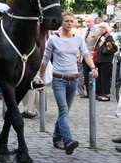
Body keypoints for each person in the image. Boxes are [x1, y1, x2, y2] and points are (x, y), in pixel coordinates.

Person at [40, 12, 99, 155]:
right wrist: (39, 79)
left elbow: (86, 54)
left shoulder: (78, 39)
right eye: (66, 21)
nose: (69, 23)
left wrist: (93, 67)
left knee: (65, 112)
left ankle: (56, 137)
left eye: (71, 21)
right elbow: (45, 60)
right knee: (63, 110)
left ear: (74, 23)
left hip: (73, 79)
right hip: (59, 79)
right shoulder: (54, 39)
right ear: (61, 22)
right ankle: (68, 141)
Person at [93, 22, 117, 101]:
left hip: (105, 60)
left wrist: (106, 48)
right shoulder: (100, 36)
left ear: (106, 28)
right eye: (100, 27)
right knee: (99, 78)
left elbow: (111, 47)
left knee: (105, 78)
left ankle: (106, 94)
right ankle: (100, 93)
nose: (100, 29)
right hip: (99, 60)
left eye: (102, 27)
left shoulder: (108, 36)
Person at [81, 16, 99, 98]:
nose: (87, 23)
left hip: (92, 56)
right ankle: (88, 92)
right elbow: (80, 44)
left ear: (93, 22)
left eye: (89, 22)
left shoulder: (97, 31)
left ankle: (95, 92)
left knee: (93, 73)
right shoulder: (83, 31)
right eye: (86, 22)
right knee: (85, 74)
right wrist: (79, 55)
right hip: (83, 56)